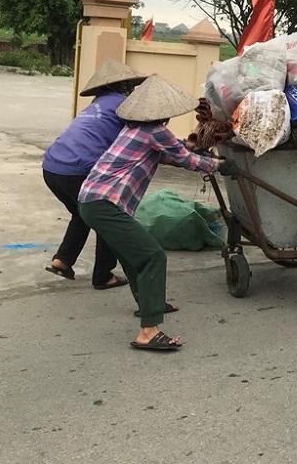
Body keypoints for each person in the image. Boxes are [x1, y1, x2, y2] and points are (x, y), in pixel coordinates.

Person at [78, 74, 239, 351]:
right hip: (105, 203)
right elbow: (183, 158)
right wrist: (219, 165)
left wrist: (195, 149)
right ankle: (148, 331)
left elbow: (170, 152)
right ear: (163, 111)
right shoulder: (156, 132)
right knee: (152, 256)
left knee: (132, 256)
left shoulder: (133, 129)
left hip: (91, 201)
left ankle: (149, 304)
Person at [43, 59, 148, 289]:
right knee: (107, 217)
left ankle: (62, 260)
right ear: (122, 86)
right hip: (78, 170)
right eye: (128, 85)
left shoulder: (95, 105)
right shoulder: (123, 104)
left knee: (82, 214)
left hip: (52, 167)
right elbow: (147, 134)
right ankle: (103, 275)